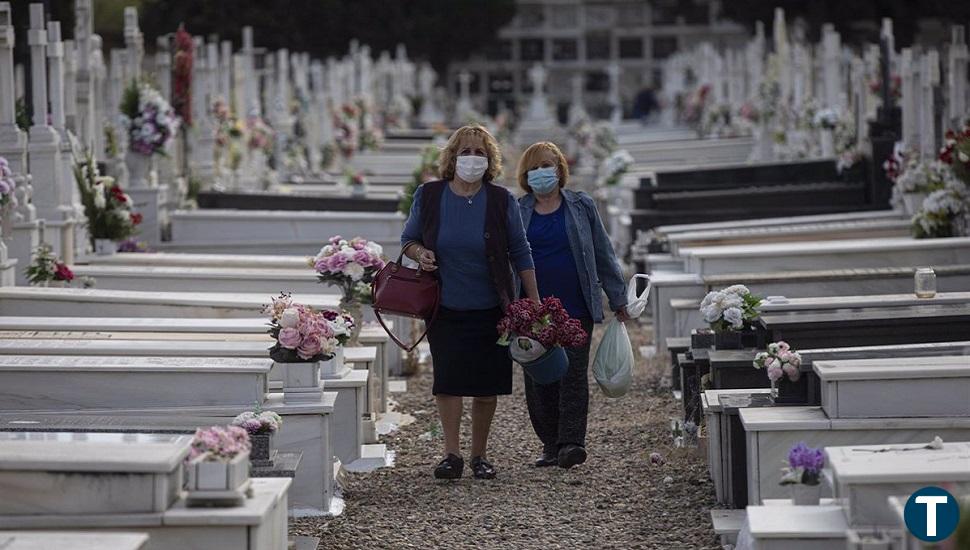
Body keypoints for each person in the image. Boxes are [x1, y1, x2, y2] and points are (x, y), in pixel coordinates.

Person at [401, 125, 540, 480]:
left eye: (480, 153)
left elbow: (520, 250)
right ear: (453, 157)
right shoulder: (430, 195)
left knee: (485, 383)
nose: (472, 159)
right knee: (447, 380)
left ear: (490, 160)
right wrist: (421, 253)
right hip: (444, 303)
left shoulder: (500, 200)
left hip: (492, 304)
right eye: (466, 152)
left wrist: (534, 302)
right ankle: (451, 454)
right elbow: (408, 240)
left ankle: (480, 455)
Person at [515, 141, 629, 469]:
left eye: (547, 165)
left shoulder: (581, 205)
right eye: (534, 168)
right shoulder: (518, 210)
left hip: (576, 304)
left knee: (573, 374)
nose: (541, 173)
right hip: (533, 310)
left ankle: (571, 443)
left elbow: (602, 252)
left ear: (560, 169)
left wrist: (617, 296)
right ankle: (550, 443)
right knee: (540, 376)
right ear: (525, 175)